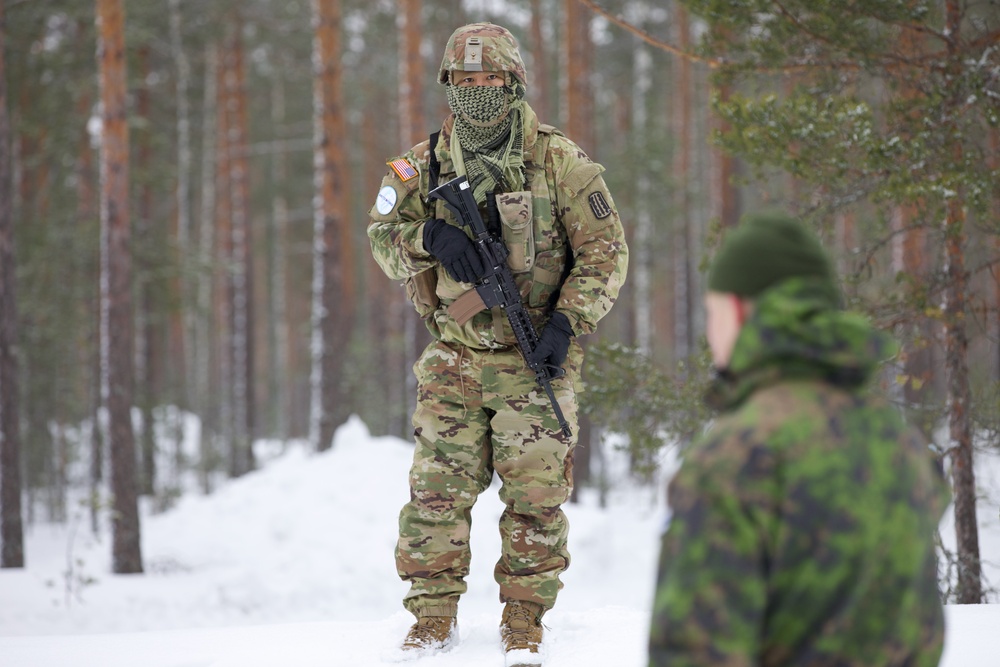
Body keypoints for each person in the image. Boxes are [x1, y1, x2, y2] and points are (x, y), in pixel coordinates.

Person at [367, 22, 628, 664]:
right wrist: (427, 239)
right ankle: (431, 619)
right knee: (435, 494)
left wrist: (567, 323)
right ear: (447, 86)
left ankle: (524, 620)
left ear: (512, 83)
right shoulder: (420, 165)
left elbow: (605, 251)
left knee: (536, 501)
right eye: (464, 80)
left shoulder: (559, 161)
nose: (477, 91)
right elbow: (380, 237)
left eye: (489, 80)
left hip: (534, 353)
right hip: (453, 360)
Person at [648, 212, 950, 666]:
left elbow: (693, 651)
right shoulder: (897, 443)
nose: (711, 335)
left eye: (712, 314)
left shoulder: (737, 456)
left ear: (740, 310)